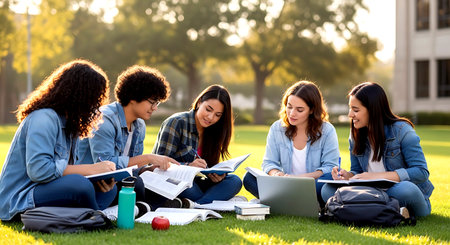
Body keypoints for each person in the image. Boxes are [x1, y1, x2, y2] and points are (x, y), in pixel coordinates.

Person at [0, 59, 117, 221]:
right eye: (93, 98)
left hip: (48, 188)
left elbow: (64, 172)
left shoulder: (71, 123)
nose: (96, 105)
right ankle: (96, 216)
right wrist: (91, 169)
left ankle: (91, 214)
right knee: (80, 185)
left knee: (108, 188)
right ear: (78, 95)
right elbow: (39, 171)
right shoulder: (43, 118)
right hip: (21, 198)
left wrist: (97, 177)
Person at [321, 82, 434, 217]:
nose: (350, 114)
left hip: (398, 192)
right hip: (371, 192)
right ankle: (390, 211)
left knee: (406, 189)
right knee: (327, 189)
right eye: (350, 108)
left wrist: (378, 176)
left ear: (373, 110)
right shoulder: (356, 135)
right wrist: (348, 175)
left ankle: (361, 209)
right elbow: (357, 171)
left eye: (356, 110)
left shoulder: (402, 131)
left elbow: (421, 172)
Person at [76, 65, 182, 209]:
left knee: (152, 177)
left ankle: (151, 204)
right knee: (135, 183)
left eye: (157, 103)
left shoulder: (139, 125)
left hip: (120, 179)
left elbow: (133, 167)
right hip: (95, 181)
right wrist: (149, 158)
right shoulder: (104, 120)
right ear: (134, 97)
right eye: (152, 102)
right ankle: (153, 205)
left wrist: (150, 168)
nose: (155, 108)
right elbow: (106, 165)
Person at [243, 81, 340, 206]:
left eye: (299, 110)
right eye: (289, 107)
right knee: (249, 178)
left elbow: (330, 167)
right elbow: (269, 163)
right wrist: (277, 174)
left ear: (312, 110)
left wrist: (300, 178)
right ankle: (303, 204)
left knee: (329, 180)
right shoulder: (277, 128)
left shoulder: (327, 130)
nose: (292, 113)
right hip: (285, 185)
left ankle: (280, 203)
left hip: (312, 184)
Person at [152, 85, 242, 204]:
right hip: (174, 181)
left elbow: (207, 169)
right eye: (208, 109)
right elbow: (159, 165)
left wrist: (215, 175)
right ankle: (209, 202)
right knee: (192, 190)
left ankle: (196, 204)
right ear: (199, 102)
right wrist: (189, 166)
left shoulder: (214, 131)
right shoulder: (176, 122)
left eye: (218, 115)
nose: (210, 117)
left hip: (196, 181)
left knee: (234, 181)